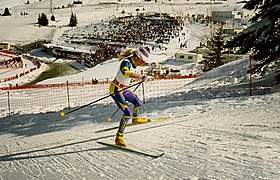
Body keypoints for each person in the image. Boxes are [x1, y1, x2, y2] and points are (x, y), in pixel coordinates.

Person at [109, 47, 151, 147]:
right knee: (127, 112)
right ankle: (119, 138)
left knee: (138, 103)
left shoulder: (133, 62)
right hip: (116, 89)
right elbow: (125, 73)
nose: (141, 64)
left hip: (125, 89)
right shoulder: (126, 62)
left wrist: (151, 64)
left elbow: (142, 64)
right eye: (141, 61)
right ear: (137, 57)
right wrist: (139, 77)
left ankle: (135, 119)